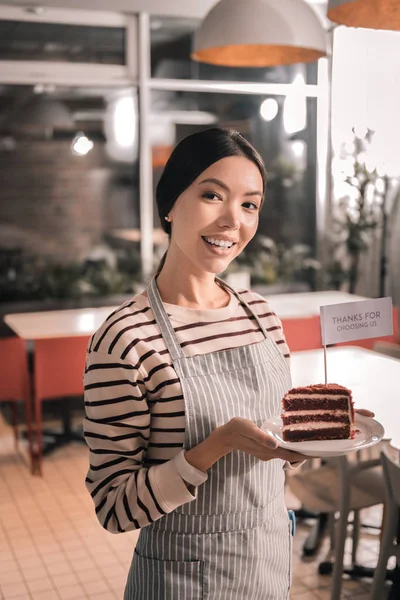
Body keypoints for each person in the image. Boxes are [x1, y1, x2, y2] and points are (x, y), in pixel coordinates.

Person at [83, 128, 372, 599]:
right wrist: (210, 450)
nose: (231, 221)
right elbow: (113, 507)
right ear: (170, 203)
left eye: (249, 204)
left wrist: (310, 440)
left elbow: (275, 442)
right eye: (212, 194)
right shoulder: (124, 339)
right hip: (182, 579)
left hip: (268, 561)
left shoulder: (262, 314)